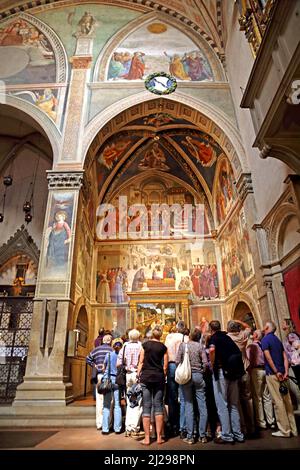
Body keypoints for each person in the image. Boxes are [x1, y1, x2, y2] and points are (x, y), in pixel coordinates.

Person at [208, 320, 245, 444]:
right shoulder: (227, 337)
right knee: (233, 404)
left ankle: (227, 435)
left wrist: (212, 363)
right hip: (233, 373)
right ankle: (238, 434)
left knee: (222, 404)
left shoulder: (214, 338)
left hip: (221, 373)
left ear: (210, 329)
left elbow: (212, 350)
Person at [261, 321, 298, 438]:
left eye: (264, 326)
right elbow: (285, 357)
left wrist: (276, 371)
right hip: (283, 373)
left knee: (278, 402)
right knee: (287, 402)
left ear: (267, 328)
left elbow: (268, 357)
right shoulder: (277, 340)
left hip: (273, 374)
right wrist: (285, 371)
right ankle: (293, 429)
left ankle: (284, 430)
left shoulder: (265, 340)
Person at [176, 328, 208, 444]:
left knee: (188, 405)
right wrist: (201, 371)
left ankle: (190, 436)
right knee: (202, 405)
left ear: (189, 335)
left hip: (186, 377)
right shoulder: (200, 347)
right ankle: (202, 436)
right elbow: (205, 363)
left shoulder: (183, 346)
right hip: (198, 376)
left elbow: (177, 360)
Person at [137, 326, 168, 445]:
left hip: (146, 377)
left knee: (146, 406)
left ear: (151, 334)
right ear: (160, 335)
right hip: (158, 377)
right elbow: (165, 366)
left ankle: (147, 438)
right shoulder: (163, 347)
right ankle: (159, 437)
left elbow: (141, 361)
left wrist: (138, 374)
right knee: (158, 406)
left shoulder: (145, 345)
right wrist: (163, 375)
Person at [227, 319, 255, 436]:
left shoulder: (228, 338)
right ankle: (251, 427)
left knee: (235, 401)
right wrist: (239, 321)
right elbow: (249, 327)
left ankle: (241, 428)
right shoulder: (243, 335)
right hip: (244, 370)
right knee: (248, 399)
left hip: (234, 372)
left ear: (229, 329)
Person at [246, 329, 275, 430]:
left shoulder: (251, 346)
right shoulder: (264, 344)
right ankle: (271, 420)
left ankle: (261, 422)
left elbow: (249, 360)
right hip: (265, 370)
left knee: (257, 397)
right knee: (267, 396)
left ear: (255, 336)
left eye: (254, 333)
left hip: (256, 371)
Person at [117, 329, 143, 438]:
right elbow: (143, 361)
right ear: (138, 336)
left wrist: (127, 365)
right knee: (137, 401)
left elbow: (118, 363)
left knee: (129, 400)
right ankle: (135, 428)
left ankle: (128, 427)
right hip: (137, 375)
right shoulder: (141, 346)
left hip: (128, 375)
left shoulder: (125, 346)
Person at [86, 334, 113, 430]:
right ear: (110, 341)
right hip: (108, 376)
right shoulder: (111, 350)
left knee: (99, 400)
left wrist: (94, 365)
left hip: (99, 376)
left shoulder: (96, 349)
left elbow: (88, 358)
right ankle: (108, 424)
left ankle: (99, 423)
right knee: (109, 401)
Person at [102, 338, 124, 435]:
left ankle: (105, 429)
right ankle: (117, 429)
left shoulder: (108, 354)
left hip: (108, 381)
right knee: (117, 404)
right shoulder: (122, 356)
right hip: (117, 381)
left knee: (106, 405)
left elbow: (104, 367)